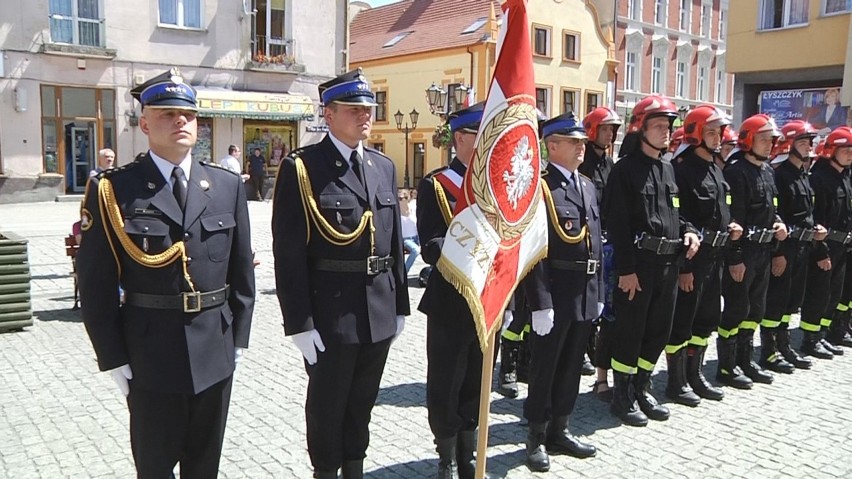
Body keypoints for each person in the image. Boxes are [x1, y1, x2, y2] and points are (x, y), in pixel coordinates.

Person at [76, 68, 256, 478]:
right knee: (154, 466)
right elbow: (96, 284)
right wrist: (112, 355)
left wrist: (238, 339)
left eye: (188, 115)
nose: (180, 122)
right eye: (166, 114)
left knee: (203, 466)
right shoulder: (113, 189)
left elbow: (242, 273)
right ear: (143, 123)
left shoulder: (226, 186)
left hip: (215, 346)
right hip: (150, 351)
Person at [272, 68, 409, 479]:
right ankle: (326, 471)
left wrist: (399, 304)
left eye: (368, 108)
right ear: (328, 114)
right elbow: (289, 253)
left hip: (378, 310)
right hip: (331, 314)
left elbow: (394, 242)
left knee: (363, 402)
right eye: (353, 109)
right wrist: (298, 321)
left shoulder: (383, 166)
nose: (364, 116)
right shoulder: (303, 168)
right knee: (328, 405)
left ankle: (354, 468)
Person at [604, 95, 700, 427]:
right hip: (639, 266)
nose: (665, 132)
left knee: (659, 330)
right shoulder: (624, 171)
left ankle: (643, 386)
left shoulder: (668, 168)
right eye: (658, 126)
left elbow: (676, 213)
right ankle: (622, 394)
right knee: (631, 331)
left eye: (668, 126)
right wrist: (627, 271)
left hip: (668, 264)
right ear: (640, 128)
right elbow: (617, 224)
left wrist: (689, 232)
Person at [417, 102, 493, 479]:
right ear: (460, 138)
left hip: (485, 300)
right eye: (479, 135)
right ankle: (446, 456)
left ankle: (468, 455)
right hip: (449, 299)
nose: (485, 143)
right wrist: (460, 249)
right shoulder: (436, 184)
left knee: (477, 381)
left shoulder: (493, 188)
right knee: (446, 380)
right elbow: (429, 241)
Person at [522, 113, 601, 473]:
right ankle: (536, 436)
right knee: (546, 369)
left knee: (571, 367)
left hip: (584, 291)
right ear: (552, 146)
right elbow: (534, 250)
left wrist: (597, 290)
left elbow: (595, 243)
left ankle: (561, 430)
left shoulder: (586, 185)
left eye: (582, 141)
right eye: (574, 141)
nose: (581, 146)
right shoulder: (540, 187)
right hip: (555, 292)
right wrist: (540, 303)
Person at [666, 105, 743, 407]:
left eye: (718, 132)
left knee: (707, 320)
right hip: (692, 261)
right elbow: (679, 218)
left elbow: (720, 209)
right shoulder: (681, 170)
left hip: (715, 258)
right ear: (695, 133)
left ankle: (695, 375)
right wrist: (684, 267)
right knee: (682, 321)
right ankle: (676, 381)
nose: (716, 138)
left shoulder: (716, 168)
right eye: (710, 132)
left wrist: (731, 225)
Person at [718, 114, 788, 390]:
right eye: (763, 139)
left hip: (763, 250)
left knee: (755, 308)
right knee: (736, 308)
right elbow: (732, 219)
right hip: (743, 252)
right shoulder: (736, 172)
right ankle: (726, 365)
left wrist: (779, 224)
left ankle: (745, 361)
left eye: (772, 140)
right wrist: (734, 257)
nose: (769, 144)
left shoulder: (768, 171)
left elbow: (772, 208)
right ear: (748, 140)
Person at [759, 120, 826, 372]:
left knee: (791, 302)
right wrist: (778, 253)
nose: (809, 146)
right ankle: (768, 351)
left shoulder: (803, 175)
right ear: (789, 143)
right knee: (776, 301)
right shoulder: (780, 174)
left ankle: (783, 346)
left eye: (810, 141)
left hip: (803, 248)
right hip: (785, 249)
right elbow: (777, 217)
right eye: (802, 141)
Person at [579, 106, 622, 401]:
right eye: (605, 129)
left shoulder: (612, 165)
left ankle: (594, 353)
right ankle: (582, 349)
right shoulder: (583, 166)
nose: (609, 134)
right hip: (584, 241)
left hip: (607, 241)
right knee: (585, 301)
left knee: (604, 304)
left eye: (612, 130)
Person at [799, 126, 852, 358]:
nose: (850, 154)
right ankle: (810, 340)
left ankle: (822, 334)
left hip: (843, 246)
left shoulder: (845, 177)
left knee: (833, 293)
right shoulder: (820, 179)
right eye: (846, 149)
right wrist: (820, 251)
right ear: (832, 150)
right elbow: (816, 218)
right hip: (826, 246)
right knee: (818, 294)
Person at [399, 188, 420, 274]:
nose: (398, 201)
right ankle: (404, 272)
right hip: (405, 239)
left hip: (416, 238)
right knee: (416, 250)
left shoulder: (413, 208)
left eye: (401, 199)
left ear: (407, 199)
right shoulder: (396, 211)